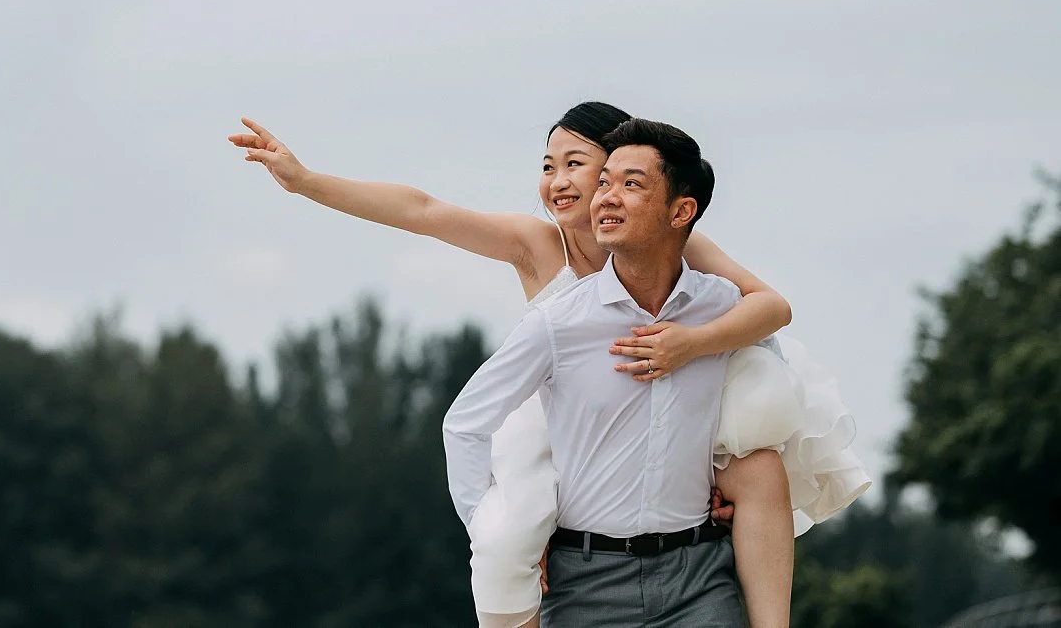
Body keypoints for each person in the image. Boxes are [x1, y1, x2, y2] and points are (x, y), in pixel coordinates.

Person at [230, 104, 865, 627]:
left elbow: (769, 306)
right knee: (513, 532)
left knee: (755, 453)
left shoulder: (683, 244)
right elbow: (423, 211)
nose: (557, 182)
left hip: (675, 402)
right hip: (560, 416)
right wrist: (306, 181)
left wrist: (689, 347)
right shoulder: (538, 244)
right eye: (547, 166)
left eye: (576, 165)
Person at [444, 118, 759, 626]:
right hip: (583, 580)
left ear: (682, 211)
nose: (605, 196)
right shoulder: (557, 321)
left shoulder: (721, 306)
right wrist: (495, 529)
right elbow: (464, 423)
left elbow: (766, 362)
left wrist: (732, 480)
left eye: (630, 184)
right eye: (605, 181)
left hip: (699, 577)